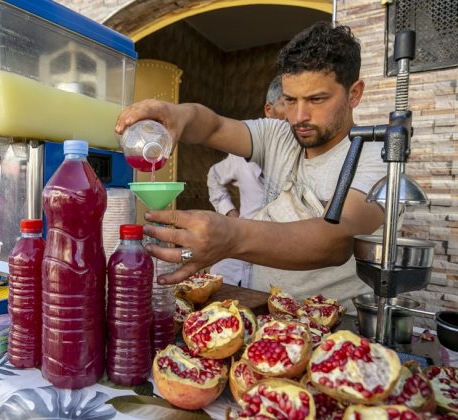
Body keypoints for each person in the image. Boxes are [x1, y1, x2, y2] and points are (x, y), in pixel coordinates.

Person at [115, 22, 385, 310]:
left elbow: (336, 240)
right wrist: (180, 113)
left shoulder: (376, 157)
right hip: (265, 312)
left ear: (354, 93)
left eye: (317, 99)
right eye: (290, 100)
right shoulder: (280, 135)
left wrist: (232, 235)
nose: (299, 116)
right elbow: (212, 127)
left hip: (333, 327)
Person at [206, 76, 284, 286]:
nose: (299, 116)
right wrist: (230, 213)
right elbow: (214, 176)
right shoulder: (240, 156)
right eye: (290, 103)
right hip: (238, 255)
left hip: (282, 257)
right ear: (269, 111)